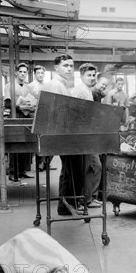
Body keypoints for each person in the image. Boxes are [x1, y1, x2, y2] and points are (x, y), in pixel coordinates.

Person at [39, 54, 85, 216]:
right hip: (61, 134)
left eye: (71, 66)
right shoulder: (55, 85)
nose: (69, 69)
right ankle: (66, 205)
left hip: (65, 133)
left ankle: (68, 204)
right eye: (65, 65)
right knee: (71, 170)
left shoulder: (63, 85)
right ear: (56, 68)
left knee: (71, 170)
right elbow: (58, 113)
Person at [73, 63, 102, 209]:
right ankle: (87, 199)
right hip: (84, 135)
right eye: (88, 75)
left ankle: (89, 197)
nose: (91, 78)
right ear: (81, 76)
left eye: (93, 75)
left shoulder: (86, 90)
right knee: (93, 166)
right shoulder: (83, 91)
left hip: (85, 134)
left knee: (92, 167)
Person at [8, 63, 37, 181]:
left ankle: (22, 170)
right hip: (15, 116)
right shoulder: (9, 86)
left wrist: (32, 106)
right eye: (21, 71)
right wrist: (20, 107)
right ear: (16, 72)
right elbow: (7, 103)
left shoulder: (27, 87)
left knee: (25, 143)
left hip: (26, 116)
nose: (23, 74)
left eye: (25, 72)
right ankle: (12, 172)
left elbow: (33, 100)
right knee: (15, 144)